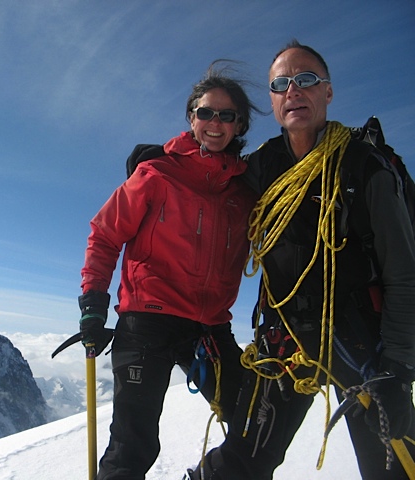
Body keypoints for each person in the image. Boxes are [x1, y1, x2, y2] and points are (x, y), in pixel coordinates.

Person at [198, 40, 415, 479]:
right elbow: (207, 167)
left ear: (328, 92)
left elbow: (404, 272)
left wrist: (401, 366)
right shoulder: (260, 167)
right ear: (274, 100)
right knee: (239, 461)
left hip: (362, 345)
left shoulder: (363, 166)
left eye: (307, 79)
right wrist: (162, 159)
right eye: (281, 83)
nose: (293, 89)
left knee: (395, 469)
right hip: (285, 340)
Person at [78, 62, 261, 479]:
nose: (214, 123)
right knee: (132, 445)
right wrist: (93, 303)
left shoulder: (245, 191)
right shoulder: (156, 173)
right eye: (205, 112)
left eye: (226, 115)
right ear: (191, 117)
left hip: (210, 327)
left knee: (254, 424)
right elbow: (106, 234)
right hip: (147, 321)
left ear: (239, 125)